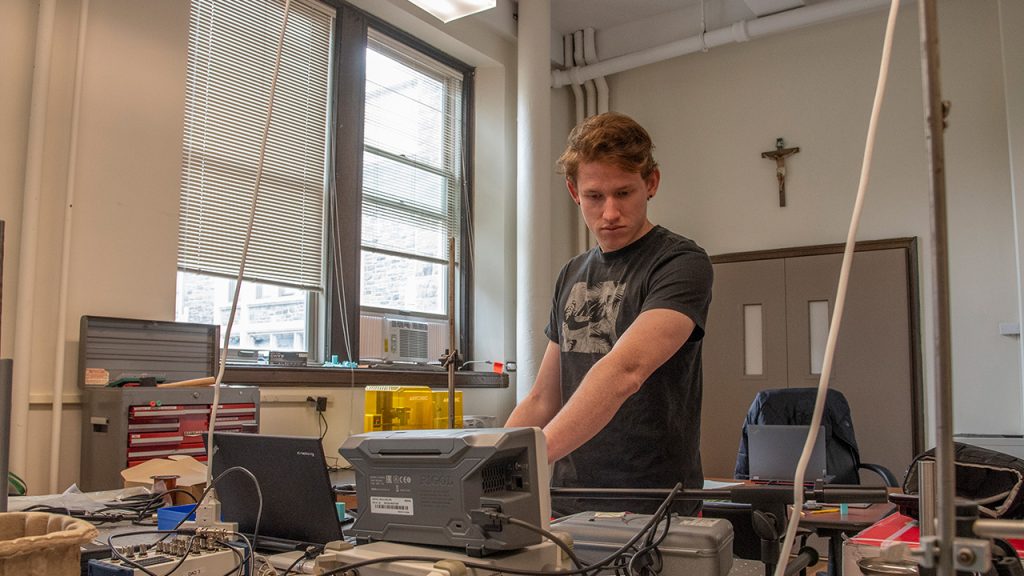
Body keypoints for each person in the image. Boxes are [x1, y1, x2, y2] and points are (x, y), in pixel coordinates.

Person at [505, 112, 713, 516]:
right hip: (568, 501)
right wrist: (485, 460)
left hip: (654, 504)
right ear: (574, 192)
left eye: (624, 193)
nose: (611, 213)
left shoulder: (680, 263)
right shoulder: (571, 273)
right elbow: (543, 397)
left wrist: (527, 459)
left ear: (651, 183)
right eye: (596, 196)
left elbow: (625, 371)